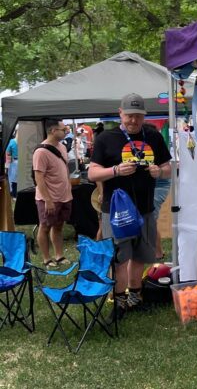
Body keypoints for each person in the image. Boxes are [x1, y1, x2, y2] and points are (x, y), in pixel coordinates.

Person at [88, 93, 172, 314]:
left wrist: (159, 171)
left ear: (144, 116)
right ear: (120, 114)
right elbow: (92, 173)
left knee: (141, 256)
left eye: (138, 116)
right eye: (129, 116)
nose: (133, 121)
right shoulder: (106, 138)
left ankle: (136, 297)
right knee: (119, 258)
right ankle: (119, 301)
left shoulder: (153, 137)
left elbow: (168, 168)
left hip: (145, 208)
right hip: (116, 212)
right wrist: (115, 170)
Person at [32, 118, 73, 267]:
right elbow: (39, 177)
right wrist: (48, 200)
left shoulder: (62, 147)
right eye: (63, 129)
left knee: (58, 226)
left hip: (64, 196)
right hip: (48, 198)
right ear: (53, 131)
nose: (66, 131)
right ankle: (46, 258)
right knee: (45, 226)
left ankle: (59, 255)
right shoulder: (41, 152)